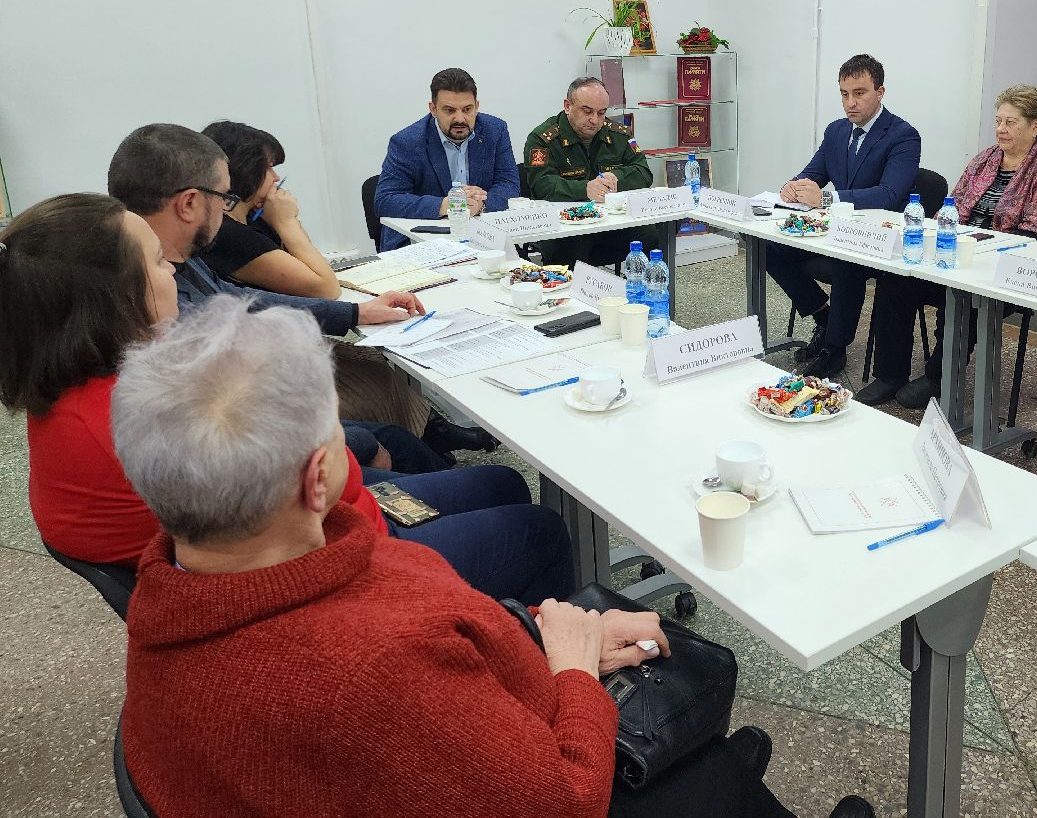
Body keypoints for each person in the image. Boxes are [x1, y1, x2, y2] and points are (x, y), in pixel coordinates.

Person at [113, 298, 875, 818]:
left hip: (441, 740)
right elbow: (565, 799)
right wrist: (572, 670)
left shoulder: (171, 603)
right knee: (702, 769)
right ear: (320, 479)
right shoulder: (367, 668)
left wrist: (534, 636)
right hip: (534, 769)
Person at [0, 195, 574, 603]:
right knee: (539, 528)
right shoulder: (143, 410)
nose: (173, 269)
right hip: (339, 572)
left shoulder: (82, 390)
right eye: (156, 261)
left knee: (500, 483)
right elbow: (326, 498)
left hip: (306, 537)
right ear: (113, 296)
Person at [109, 122, 497, 464]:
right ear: (191, 202)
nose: (227, 209)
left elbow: (237, 300)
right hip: (262, 439)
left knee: (393, 424)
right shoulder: (156, 287)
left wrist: (356, 314)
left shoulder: (171, 256)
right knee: (410, 447)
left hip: (267, 417)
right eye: (223, 198)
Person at [856, 85, 1037, 407]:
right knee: (895, 280)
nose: (1001, 129)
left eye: (1011, 122)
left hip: (1005, 271)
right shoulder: (984, 160)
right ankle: (890, 374)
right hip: (960, 255)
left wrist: (975, 249)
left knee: (962, 295)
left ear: (1036, 125)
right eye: (999, 120)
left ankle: (940, 376)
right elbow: (950, 210)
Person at [767, 53, 921, 378]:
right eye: (844, 94)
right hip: (832, 232)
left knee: (846, 258)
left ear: (880, 92)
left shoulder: (903, 136)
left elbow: (889, 195)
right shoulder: (836, 131)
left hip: (873, 239)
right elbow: (813, 173)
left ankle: (834, 349)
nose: (850, 102)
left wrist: (826, 197)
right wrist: (792, 187)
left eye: (860, 93)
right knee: (766, 245)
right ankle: (823, 315)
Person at [374, 67, 522, 251]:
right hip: (423, 244)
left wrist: (481, 205)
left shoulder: (495, 130)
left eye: (467, 109)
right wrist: (446, 205)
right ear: (433, 109)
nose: (459, 118)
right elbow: (385, 200)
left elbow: (509, 184)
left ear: (477, 105)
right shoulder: (407, 142)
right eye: (449, 110)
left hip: (484, 238)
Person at [522, 76, 655, 268]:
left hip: (611, 222)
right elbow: (542, 186)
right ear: (567, 106)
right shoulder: (542, 140)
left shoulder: (619, 134)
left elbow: (643, 171)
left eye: (601, 113)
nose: (595, 120)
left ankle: (644, 293)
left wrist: (617, 179)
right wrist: (585, 189)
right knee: (573, 245)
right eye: (587, 111)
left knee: (651, 235)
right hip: (565, 227)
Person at [199, 120, 339, 299]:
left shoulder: (254, 216)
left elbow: (309, 263)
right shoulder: (227, 234)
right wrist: (287, 222)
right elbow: (326, 289)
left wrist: (287, 219)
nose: (276, 177)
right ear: (245, 171)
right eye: (268, 168)